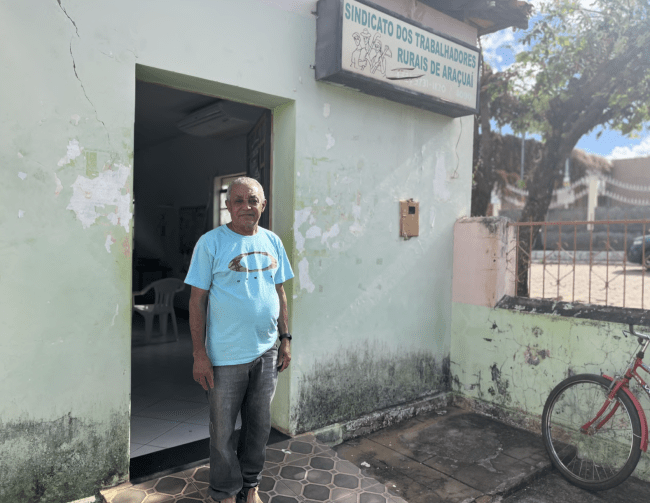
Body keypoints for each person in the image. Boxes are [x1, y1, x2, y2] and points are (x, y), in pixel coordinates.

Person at [185, 176, 294, 503]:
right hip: (225, 358)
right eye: (239, 200)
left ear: (263, 204)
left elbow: (280, 291)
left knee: (258, 429)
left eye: (253, 200)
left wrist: (285, 338)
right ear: (229, 205)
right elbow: (196, 301)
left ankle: (251, 486)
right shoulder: (210, 243)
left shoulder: (273, 241)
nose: (247, 206)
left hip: (266, 353)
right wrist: (199, 354)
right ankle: (225, 491)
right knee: (221, 435)